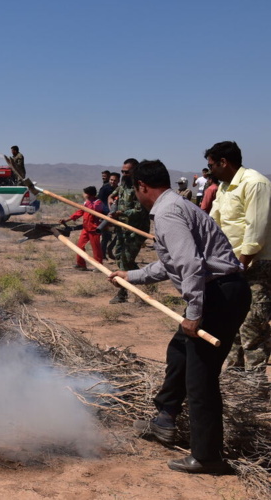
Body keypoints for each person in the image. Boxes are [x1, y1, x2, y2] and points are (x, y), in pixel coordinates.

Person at [108, 159, 250, 474]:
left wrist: (195, 313)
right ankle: (164, 420)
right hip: (220, 290)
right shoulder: (175, 207)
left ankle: (207, 457)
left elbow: (191, 266)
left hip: (220, 294)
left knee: (200, 378)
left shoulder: (168, 213)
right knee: (180, 353)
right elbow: (169, 264)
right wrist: (130, 276)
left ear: (142, 187)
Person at [206, 141, 271, 373]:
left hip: (255, 264)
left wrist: (241, 265)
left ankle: (256, 383)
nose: (209, 170)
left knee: (252, 326)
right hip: (230, 265)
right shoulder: (224, 187)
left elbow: (256, 230)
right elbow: (213, 222)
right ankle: (235, 376)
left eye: (212, 165)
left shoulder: (255, 183)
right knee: (230, 320)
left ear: (224, 162)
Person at [108, 158, 150, 303]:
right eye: (122, 172)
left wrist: (120, 213)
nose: (124, 174)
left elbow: (139, 211)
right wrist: (110, 200)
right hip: (122, 228)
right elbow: (113, 194)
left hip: (136, 230)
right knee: (119, 256)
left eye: (127, 172)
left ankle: (123, 292)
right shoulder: (123, 185)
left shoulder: (140, 187)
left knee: (126, 259)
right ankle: (146, 280)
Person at [59, 186, 105, 270]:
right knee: (80, 246)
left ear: (89, 194)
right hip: (86, 228)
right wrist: (67, 220)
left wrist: (87, 203)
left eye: (85, 193)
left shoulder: (98, 203)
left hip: (94, 229)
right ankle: (81, 264)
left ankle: (99, 266)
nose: (83, 195)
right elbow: (79, 212)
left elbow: (95, 210)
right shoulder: (86, 203)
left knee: (96, 248)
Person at [98, 172, 120, 260]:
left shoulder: (119, 189)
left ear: (118, 181)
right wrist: (106, 212)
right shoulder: (105, 189)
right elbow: (99, 201)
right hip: (105, 215)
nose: (112, 182)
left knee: (119, 233)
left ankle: (110, 248)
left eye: (115, 180)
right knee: (105, 236)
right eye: (111, 180)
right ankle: (103, 255)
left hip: (116, 215)